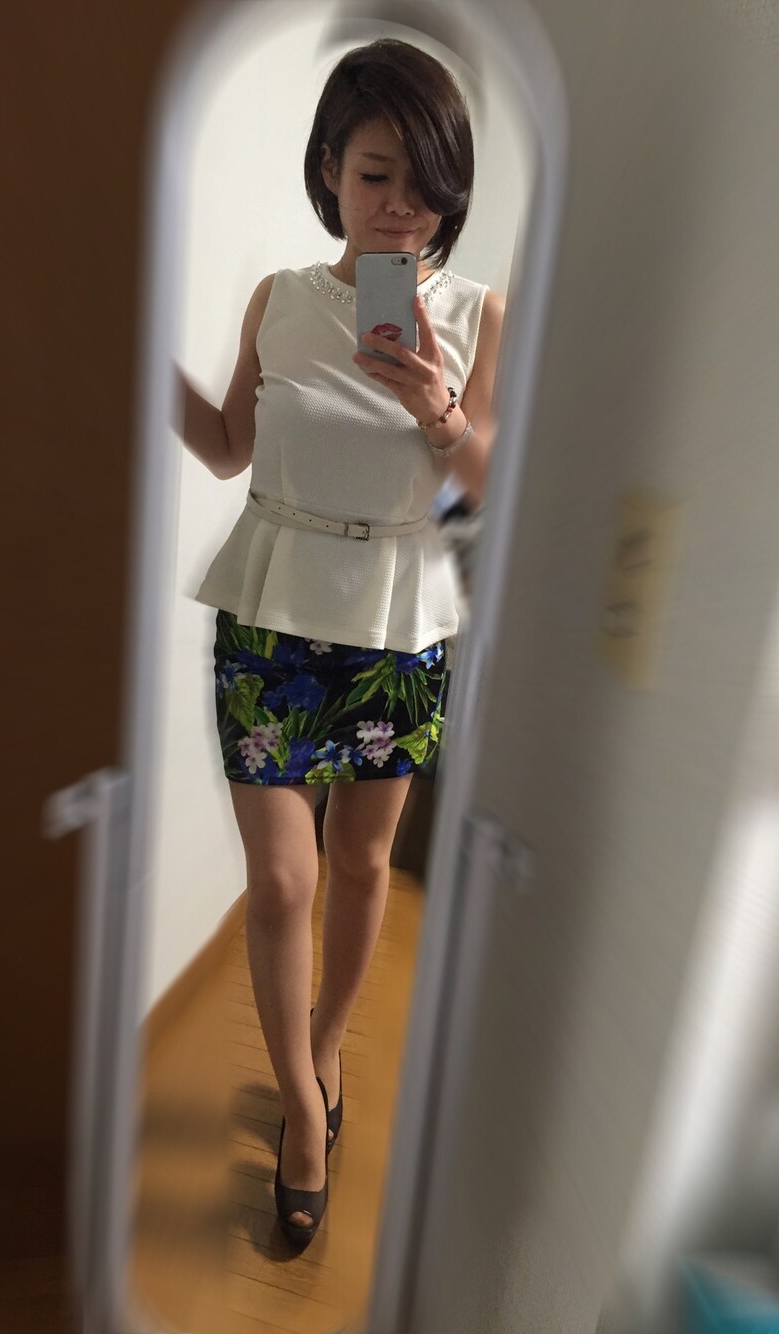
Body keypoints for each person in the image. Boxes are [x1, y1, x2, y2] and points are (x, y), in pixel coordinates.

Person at [174, 37, 505, 1248]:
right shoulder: (281, 299)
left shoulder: (475, 313)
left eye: (426, 181)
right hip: (271, 608)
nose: (402, 205)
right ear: (329, 169)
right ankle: (305, 1113)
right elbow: (226, 446)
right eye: (375, 175)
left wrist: (437, 407)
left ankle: (322, 1047)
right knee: (282, 878)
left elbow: (486, 494)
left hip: (397, 622)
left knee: (361, 867)